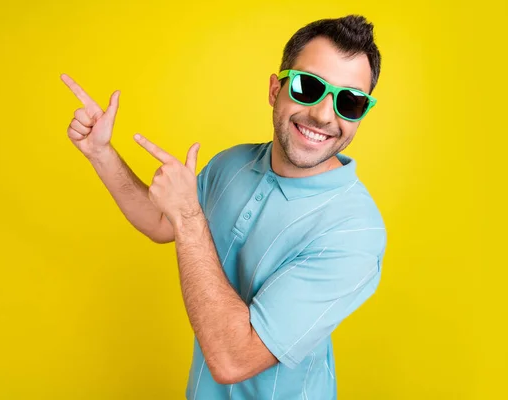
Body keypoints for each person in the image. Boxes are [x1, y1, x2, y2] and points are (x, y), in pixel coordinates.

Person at [61, 14, 386, 400]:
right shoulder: (233, 163)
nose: (323, 114)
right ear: (274, 89)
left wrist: (188, 214)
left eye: (349, 101)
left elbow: (233, 360)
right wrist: (101, 153)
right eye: (308, 86)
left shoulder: (354, 232)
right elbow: (161, 222)